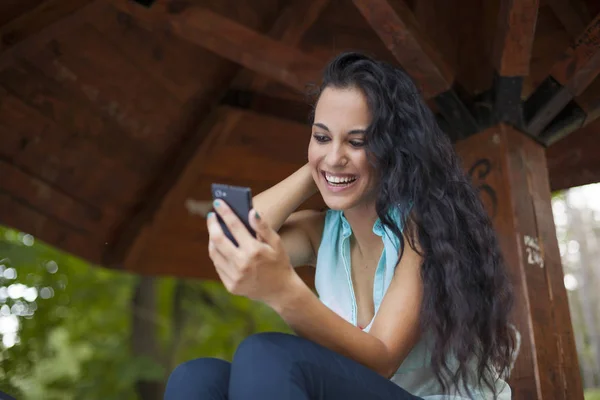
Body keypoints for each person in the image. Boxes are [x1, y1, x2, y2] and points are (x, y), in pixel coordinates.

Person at [164, 52, 517, 399]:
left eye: (358, 141)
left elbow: (382, 360)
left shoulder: (423, 229)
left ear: (395, 148)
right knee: (198, 377)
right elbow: (237, 234)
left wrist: (284, 291)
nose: (335, 155)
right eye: (321, 136)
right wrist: (317, 169)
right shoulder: (324, 233)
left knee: (267, 354)